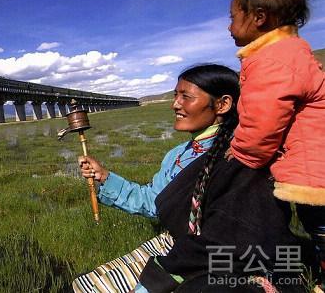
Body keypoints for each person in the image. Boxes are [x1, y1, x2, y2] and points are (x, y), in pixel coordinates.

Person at [73, 64, 303, 292]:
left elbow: (242, 228)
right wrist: (104, 176)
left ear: (223, 104)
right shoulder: (177, 155)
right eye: (175, 96)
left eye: (186, 97)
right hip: (177, 245)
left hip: (218, 258)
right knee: (85, 286)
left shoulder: (243, 154)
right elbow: (154, 201)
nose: (175, 104)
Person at [226, 0, 325, 290]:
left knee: (321, 227)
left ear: (258, 19)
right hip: (314, 169)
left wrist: (240, 154)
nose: (228, 28)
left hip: (317, 175)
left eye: (232, 18)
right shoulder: (290, 52)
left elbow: (262, 122)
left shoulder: (273, 60)